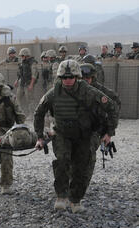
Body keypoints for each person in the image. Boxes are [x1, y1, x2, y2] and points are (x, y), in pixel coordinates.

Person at [34, 60, 118, 213]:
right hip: (62, 134)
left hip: (84, 135)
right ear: (60, 78)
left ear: (77, 77)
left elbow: (111, 106)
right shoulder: (54, 93)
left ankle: (75, 199)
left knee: (82, 166)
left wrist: (109, 133)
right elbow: (38, 113)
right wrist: (39, 137)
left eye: (70, 77)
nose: (67, 80)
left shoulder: (88, 91)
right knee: (62, 161)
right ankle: (61, 196)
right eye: (64, 78)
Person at [80, 63, 121, 191]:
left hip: (94, 131)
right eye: (82, 78)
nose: (85, 81)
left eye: (88, 78)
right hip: (77, 129)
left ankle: (81, 186)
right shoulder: (74, 90)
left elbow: (115, 106)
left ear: (93, 78)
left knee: (88, 155)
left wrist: (109, 132)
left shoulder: (101, 92)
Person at [14, 48, 39, 114]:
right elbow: (20, 73)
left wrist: (31, 84)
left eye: (22, 56)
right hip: (22, 83)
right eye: (21, 56)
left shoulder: (32, 63)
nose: (21, 57)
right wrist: (17, 80)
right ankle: (21, 113)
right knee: (18, 98)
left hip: (28, 83)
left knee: (30, 100)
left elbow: (34, 75)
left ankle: (32, 114)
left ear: (26, 55)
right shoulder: (22, 63)